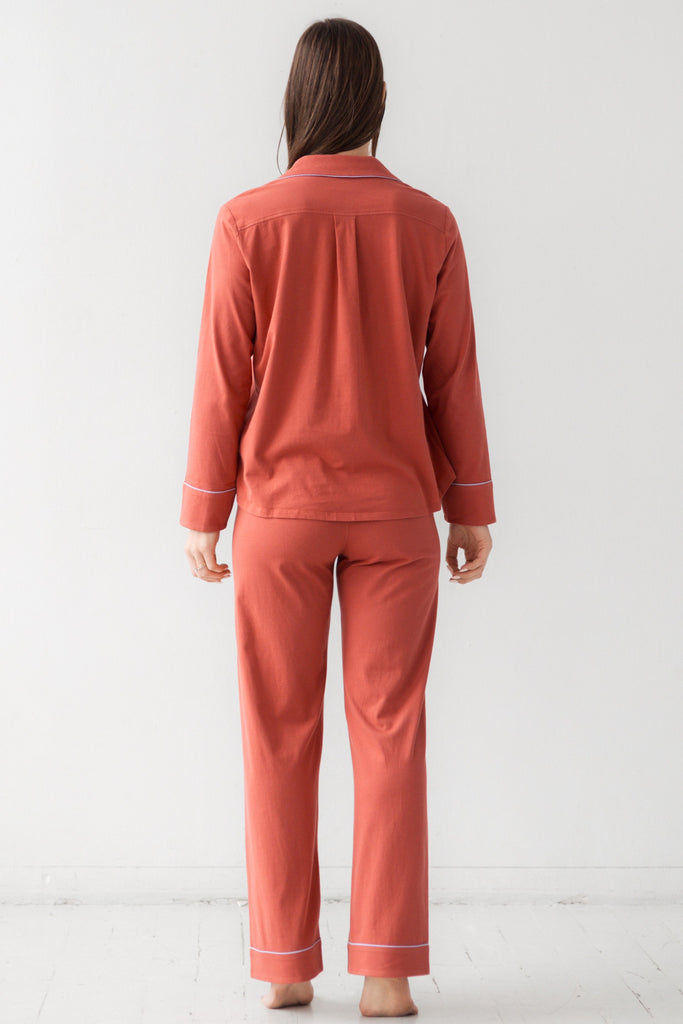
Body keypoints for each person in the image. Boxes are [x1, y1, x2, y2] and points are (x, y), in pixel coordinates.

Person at [180, 16, 495, 1018]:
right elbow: (453, 380)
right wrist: (469, 506)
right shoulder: (428, 223)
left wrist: (203, 508)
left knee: (278, 732)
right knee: (390, 731)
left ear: (297, 100)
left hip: (278, 511)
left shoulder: (247, 220)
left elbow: (221, 380)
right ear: (380, 100)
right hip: (396, 513)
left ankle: (284, 965)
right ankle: (386, 974)